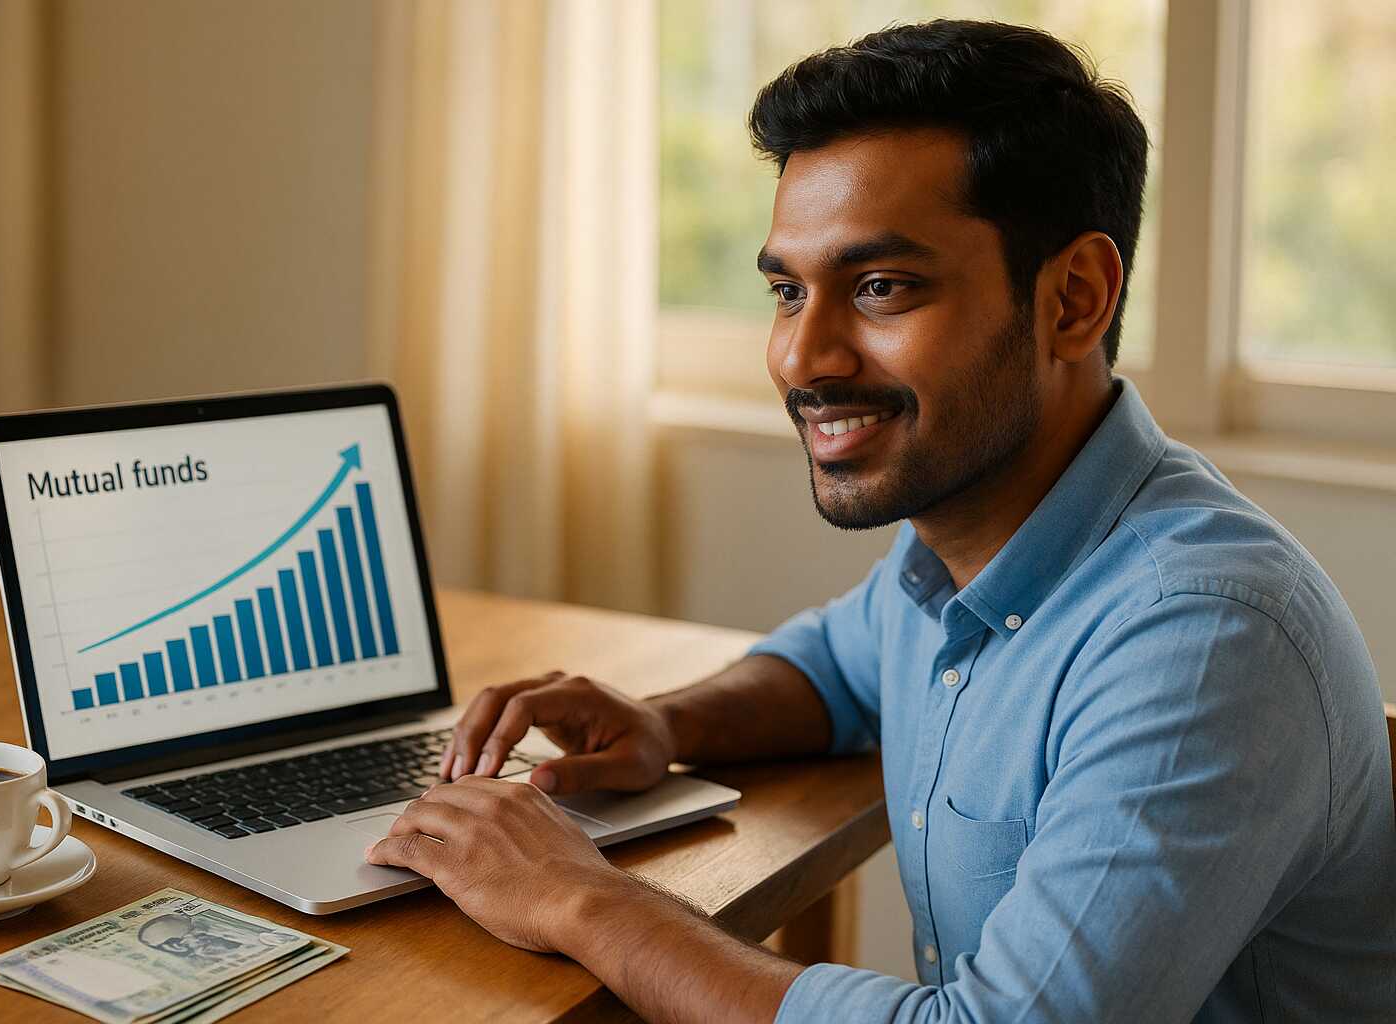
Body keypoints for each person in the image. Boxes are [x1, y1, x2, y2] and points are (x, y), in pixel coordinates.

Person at [365, 19, 1396, 1022]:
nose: (804, 358)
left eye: (881, 286)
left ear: (1074, 299)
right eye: (785, 291)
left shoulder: (1205, 636)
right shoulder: (966, 534)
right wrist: (667, 723)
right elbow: (833, 670)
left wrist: (576, 895)